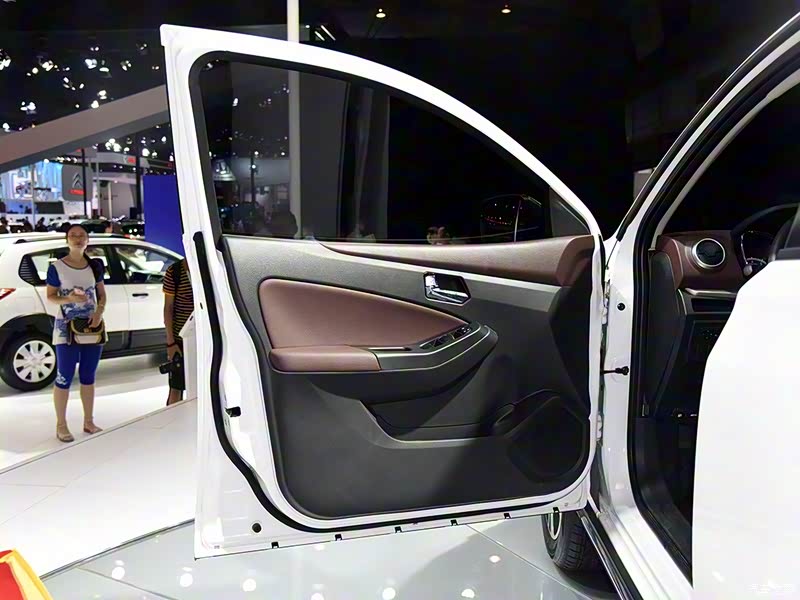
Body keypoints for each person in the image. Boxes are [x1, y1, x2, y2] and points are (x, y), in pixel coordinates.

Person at [45, 224, 106, 442]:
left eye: (82, 235)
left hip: (92, 327)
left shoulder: (95, 266)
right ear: (67, 240)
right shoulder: (57, 267)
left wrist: (98, 312)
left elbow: (102, 294)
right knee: (64, 375)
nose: (77, 239)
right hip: (66, 328)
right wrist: (69, 299)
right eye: (73, 235)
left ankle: (89, 421)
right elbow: (51, 296)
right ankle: (61, 425)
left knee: (89, 376)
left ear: (88, 240)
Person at [163, 257, 194, 405]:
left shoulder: (208, 268)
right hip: (181, 340)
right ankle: (172, 418)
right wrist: (171, 343)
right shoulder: (175, 271)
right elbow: (168, 308)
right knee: (176, 387)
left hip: (206, 339)